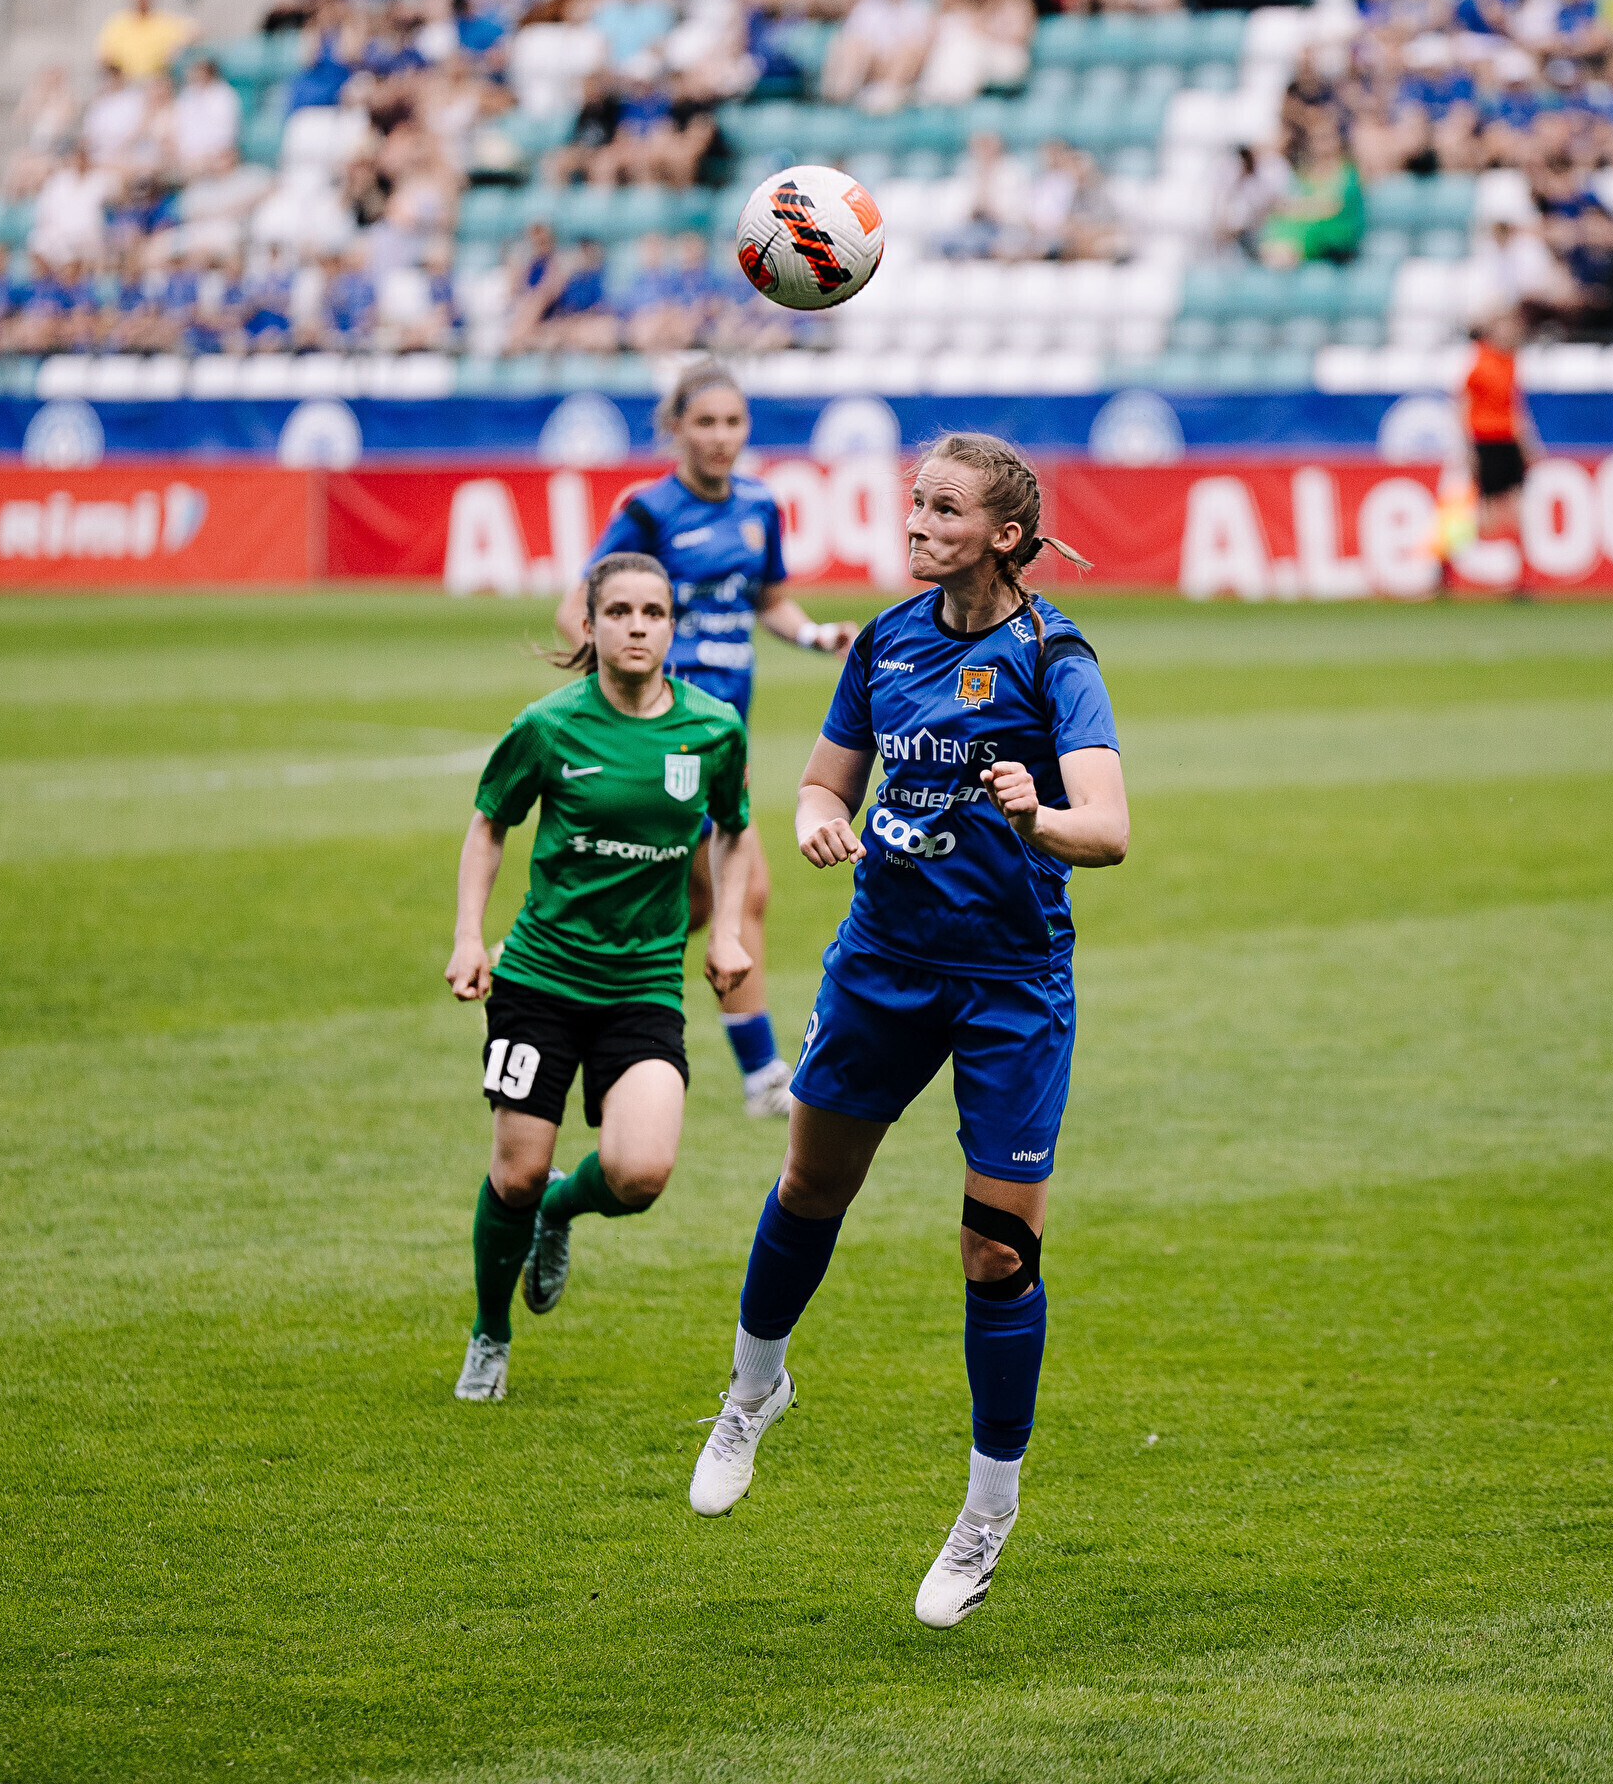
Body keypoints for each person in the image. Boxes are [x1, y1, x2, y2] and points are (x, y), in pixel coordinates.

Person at [686, 433, 1129, 1632]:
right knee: (810, 1183)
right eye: (914, 502)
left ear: (1004, 535)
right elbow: (822, 783)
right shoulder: (884, 641)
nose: (917, 522)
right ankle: (752, 1392)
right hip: (882, 962)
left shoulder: (1055, 657)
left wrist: (1039, 816)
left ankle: (987, 1512)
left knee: (998, 1251)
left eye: (943, 508)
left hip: (1010, 982)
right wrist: (818, 820)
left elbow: (1110, 827)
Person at [444, 551, 757, 1404]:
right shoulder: (548, 726)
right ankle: (491, 1334)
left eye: (653, 613)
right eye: (618, 612)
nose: (637, 627)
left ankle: (560, 1210)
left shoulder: (713, 729)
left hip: (643, 986)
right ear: (589, 624)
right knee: (514, 1172)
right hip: (539, 980)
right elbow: (489, 825)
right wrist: (469, 938)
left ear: (672, 627)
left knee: (639, 1175)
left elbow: (734, 830)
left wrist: (728, 932)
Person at [554, 363, 854, 1121]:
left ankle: (578, 981)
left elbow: (769, 599)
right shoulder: (649, 512)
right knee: (741, 889)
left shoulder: (758, 505)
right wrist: (634, 703)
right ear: (675, 428)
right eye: (705, 422)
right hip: (675, 734)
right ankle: (761, 1075)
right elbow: (576, 609)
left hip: (725, 734)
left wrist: (814, 635)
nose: (721, 437)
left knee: (686, 899)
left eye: (733, 422)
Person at [1445, 310, 1545, 590]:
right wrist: (1467, 447)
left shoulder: (1511, 361)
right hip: (1485, 441)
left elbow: (1515, 406)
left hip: (1508, 442)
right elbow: (1463, 405)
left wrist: (1528, 443)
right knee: (1487, 515)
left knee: (1516, 510)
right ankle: (1449, 563)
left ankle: (1522, 578)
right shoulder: (1478, 360)